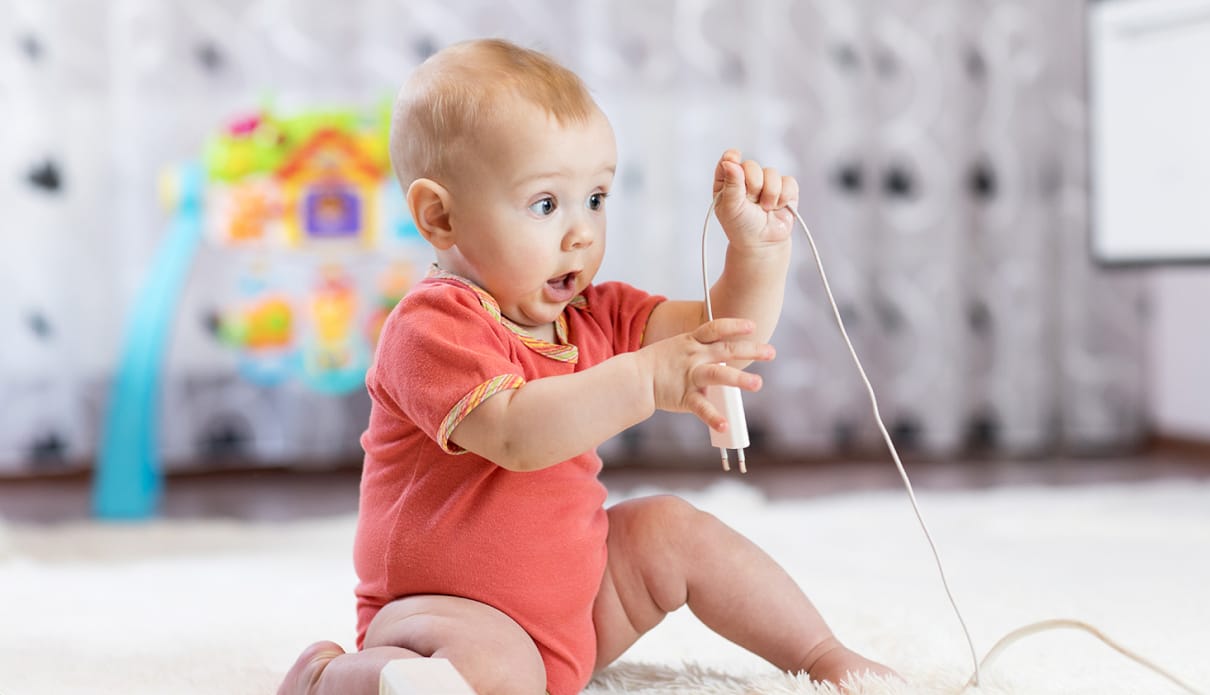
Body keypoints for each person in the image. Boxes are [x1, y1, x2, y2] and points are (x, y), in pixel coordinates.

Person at [278, 38, 895, 695]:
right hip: (443, 614)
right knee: (500, 671)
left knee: (673, 529)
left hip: (575, 608)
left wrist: (758, 253)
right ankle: (327, 677)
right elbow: (516, 433)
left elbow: (725, 335)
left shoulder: (595, 313)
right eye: (546, 204)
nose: (581, 232)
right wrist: (647, 378)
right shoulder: (431, 327)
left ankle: (823, 654)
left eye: (595, 199)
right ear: (440, 216)